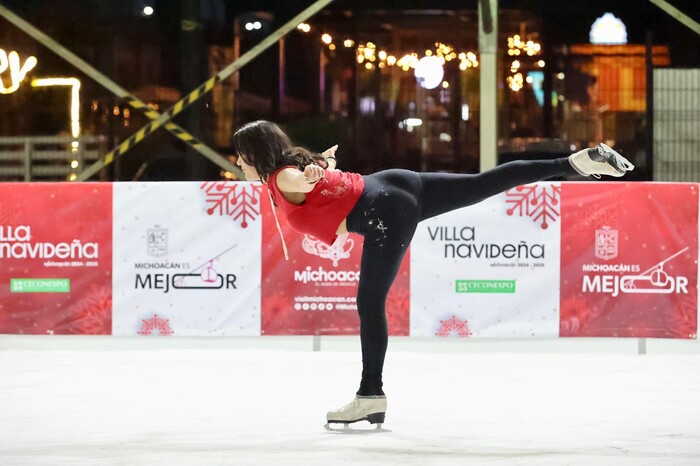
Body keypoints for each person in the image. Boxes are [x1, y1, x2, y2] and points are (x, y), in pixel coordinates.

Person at [233, 120, 634, 428]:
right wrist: (322, 168)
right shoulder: (289, 169)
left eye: (240, 155)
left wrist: (312, 175)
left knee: (368, 303)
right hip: (392, 182)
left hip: (383, 209)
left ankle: (370, 394)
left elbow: (300, 181)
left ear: (257, 154)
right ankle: (575, 162)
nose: (236, 163)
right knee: (485, 182)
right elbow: (314, 180)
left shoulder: (281, 176)